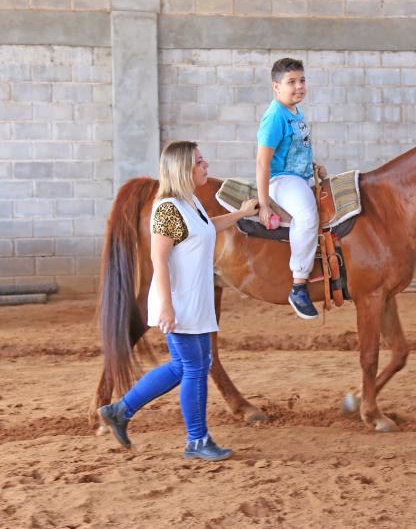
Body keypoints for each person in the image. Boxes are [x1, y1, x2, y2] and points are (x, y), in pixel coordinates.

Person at [98, 141, 258, 461]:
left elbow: (207, 227)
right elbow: (159, 259)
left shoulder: (191, 204)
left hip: (194, 302)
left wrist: (240, 214)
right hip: (178, 303)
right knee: (196, 368)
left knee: (180, 368)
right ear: (184, 169)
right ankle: (197, 440)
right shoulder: (168, 207)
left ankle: (119, 411)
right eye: (200, 162)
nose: (206, 166)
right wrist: (168, 306)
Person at [255, 57, 327, 320]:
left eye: (302, 80)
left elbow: (295, 149)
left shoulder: (296, 112)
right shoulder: (275, 117)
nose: (299, 87)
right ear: (276, 86)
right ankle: (298, 285)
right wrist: (264, 204)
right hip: (282, 181)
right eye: (291, 82)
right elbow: (263, 162)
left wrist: (313, 166)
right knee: (307, 216)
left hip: (300, 176)